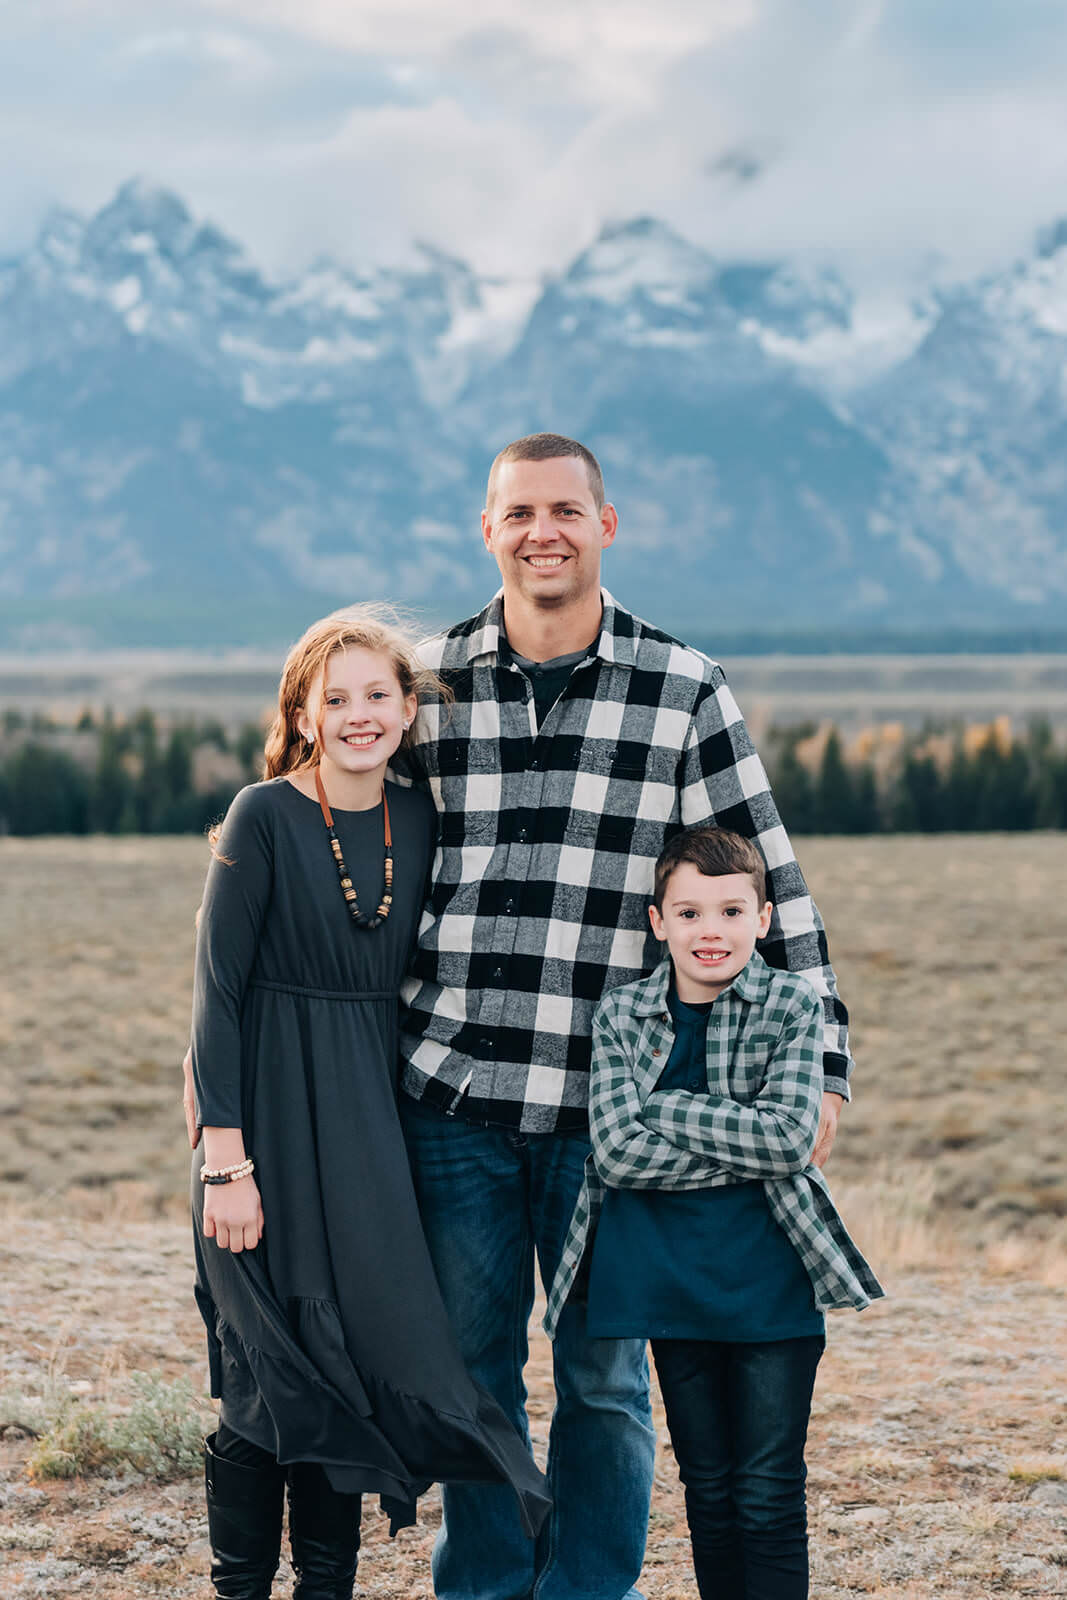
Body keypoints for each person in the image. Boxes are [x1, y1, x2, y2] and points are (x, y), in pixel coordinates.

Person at [392, 433, 855, 1600]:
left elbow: (769, 880)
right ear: (484, 528)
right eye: (517, 512)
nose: (540, 531)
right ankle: (486, 1585)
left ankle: (588, 1588)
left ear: (606, 524)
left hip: (615, 1112)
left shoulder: (681, 684)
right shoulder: (429, 681)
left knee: (602, 1379)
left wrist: (827, 1064)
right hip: (452, 1099)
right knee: (472, 1373)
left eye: (564, 509)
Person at [187, 607, 549, 1600]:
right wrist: (225, 1161)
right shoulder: (263, 815)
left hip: (367, 1131)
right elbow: (215, 996)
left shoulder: (422, 820)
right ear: (302, 711)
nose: (358, 715)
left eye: (376, 695)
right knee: (263, 1376)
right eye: (334, 697)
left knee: (340, 1370)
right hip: (258, 1125)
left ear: (405, 708)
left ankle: (327, 1590)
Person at [545, 825, 883, 1600]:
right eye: (690, 913)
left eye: (731, 912)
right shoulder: (622, 1016)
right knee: (706, 1487)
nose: (711, 932)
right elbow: (619, 1154)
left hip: (769, 1280)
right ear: (657, 921)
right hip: (664, 1279)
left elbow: (791, 1136)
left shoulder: (793, 1007)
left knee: (765, 1489)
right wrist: (737, 1129)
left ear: (762, 920)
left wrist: (664, 1105)